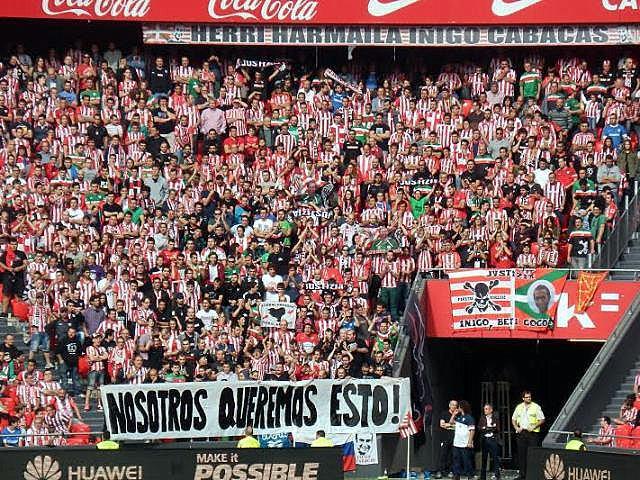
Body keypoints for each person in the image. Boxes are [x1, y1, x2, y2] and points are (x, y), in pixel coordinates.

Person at [512, 390, 545, 480]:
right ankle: (522, 475)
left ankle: (532, 475)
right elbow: (513, 419)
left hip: (532, 433)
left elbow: (542, 419)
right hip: (521, 433)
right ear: (523, 398)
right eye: (527, 397)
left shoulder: (536, 407)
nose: (529, 398)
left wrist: (534, 426)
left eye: (530, 397)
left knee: (532, 454)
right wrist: (516, 428)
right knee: (521, 454)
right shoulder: (519, 407)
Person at [451, 400, 475, 480]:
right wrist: (454, 415)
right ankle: (456, 475)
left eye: (459, 406)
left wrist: (469, 442)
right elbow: (451, 422)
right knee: (456, 459)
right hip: (456, 443)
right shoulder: (459, 417)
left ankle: (469, 475)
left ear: (462, 407)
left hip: (464, 443)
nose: (458, 408)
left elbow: (472, 430)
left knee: (466, 460)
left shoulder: (469, 418)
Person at [477, 403, 500, 480]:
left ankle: (497, 475)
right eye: (484, 409)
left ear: (491, 410)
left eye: (486, 409)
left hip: (493, 440)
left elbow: (496, 428)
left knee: (495, 458)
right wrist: (488, 428)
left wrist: (486, 428)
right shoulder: (482, 418)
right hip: (484, 440)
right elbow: (479, 428)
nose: (485, 410)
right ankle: (483, 477)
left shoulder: (495, 418)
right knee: (484, 458)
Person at [436, 399, 459, 478]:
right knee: (443, 454)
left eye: (455, 405)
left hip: (455, 438)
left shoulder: (458, 415)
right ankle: (440, 471)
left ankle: (450, 471)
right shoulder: (444, 413)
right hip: (445, 437)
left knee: (452, 455)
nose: (454, 406)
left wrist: (448, 425)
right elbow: (442, 425)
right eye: (452, 404)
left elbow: (459, 426)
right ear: (449, 405)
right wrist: (452, 425)